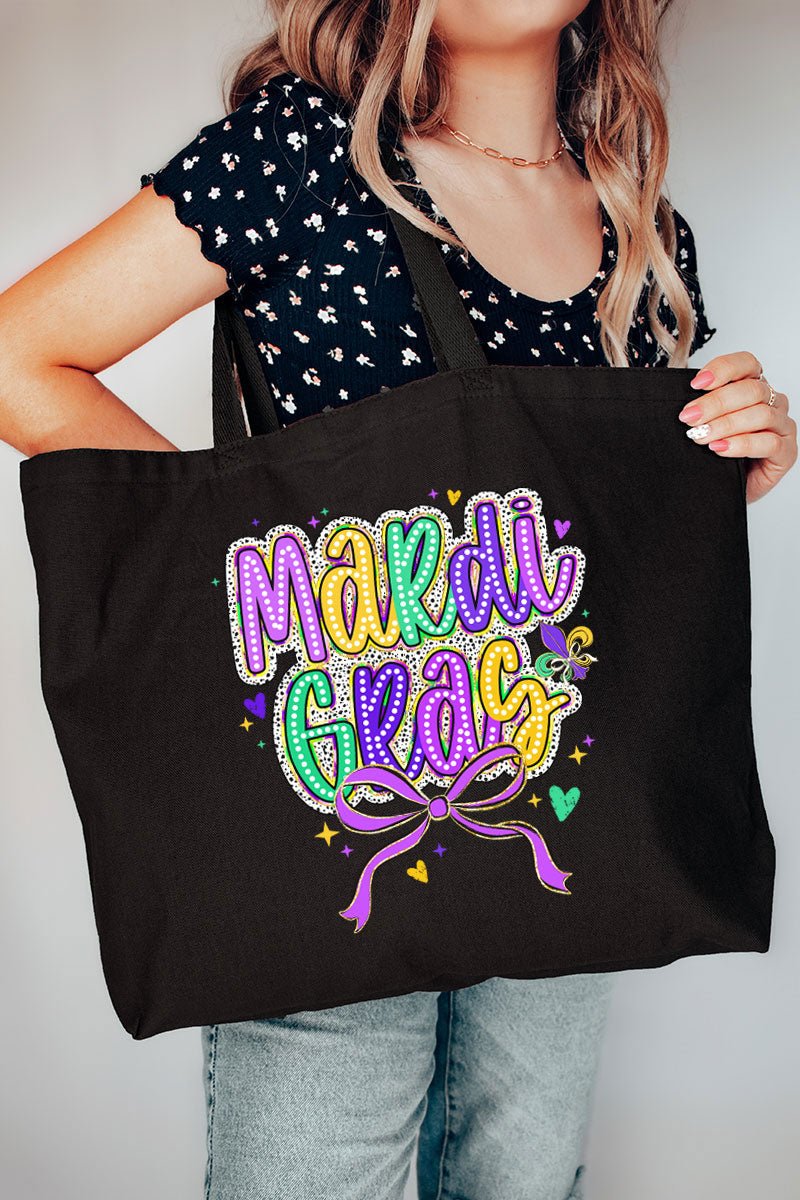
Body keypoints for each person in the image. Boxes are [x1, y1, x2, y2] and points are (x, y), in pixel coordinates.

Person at [0, 2, 795, 1199]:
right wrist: (257, 558)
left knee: (526, 1178)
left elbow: (585, 552)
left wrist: (725, 468)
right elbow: (17, 352)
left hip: (556, 810)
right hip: (335, 813)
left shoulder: (639, 228)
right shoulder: (303, 152)